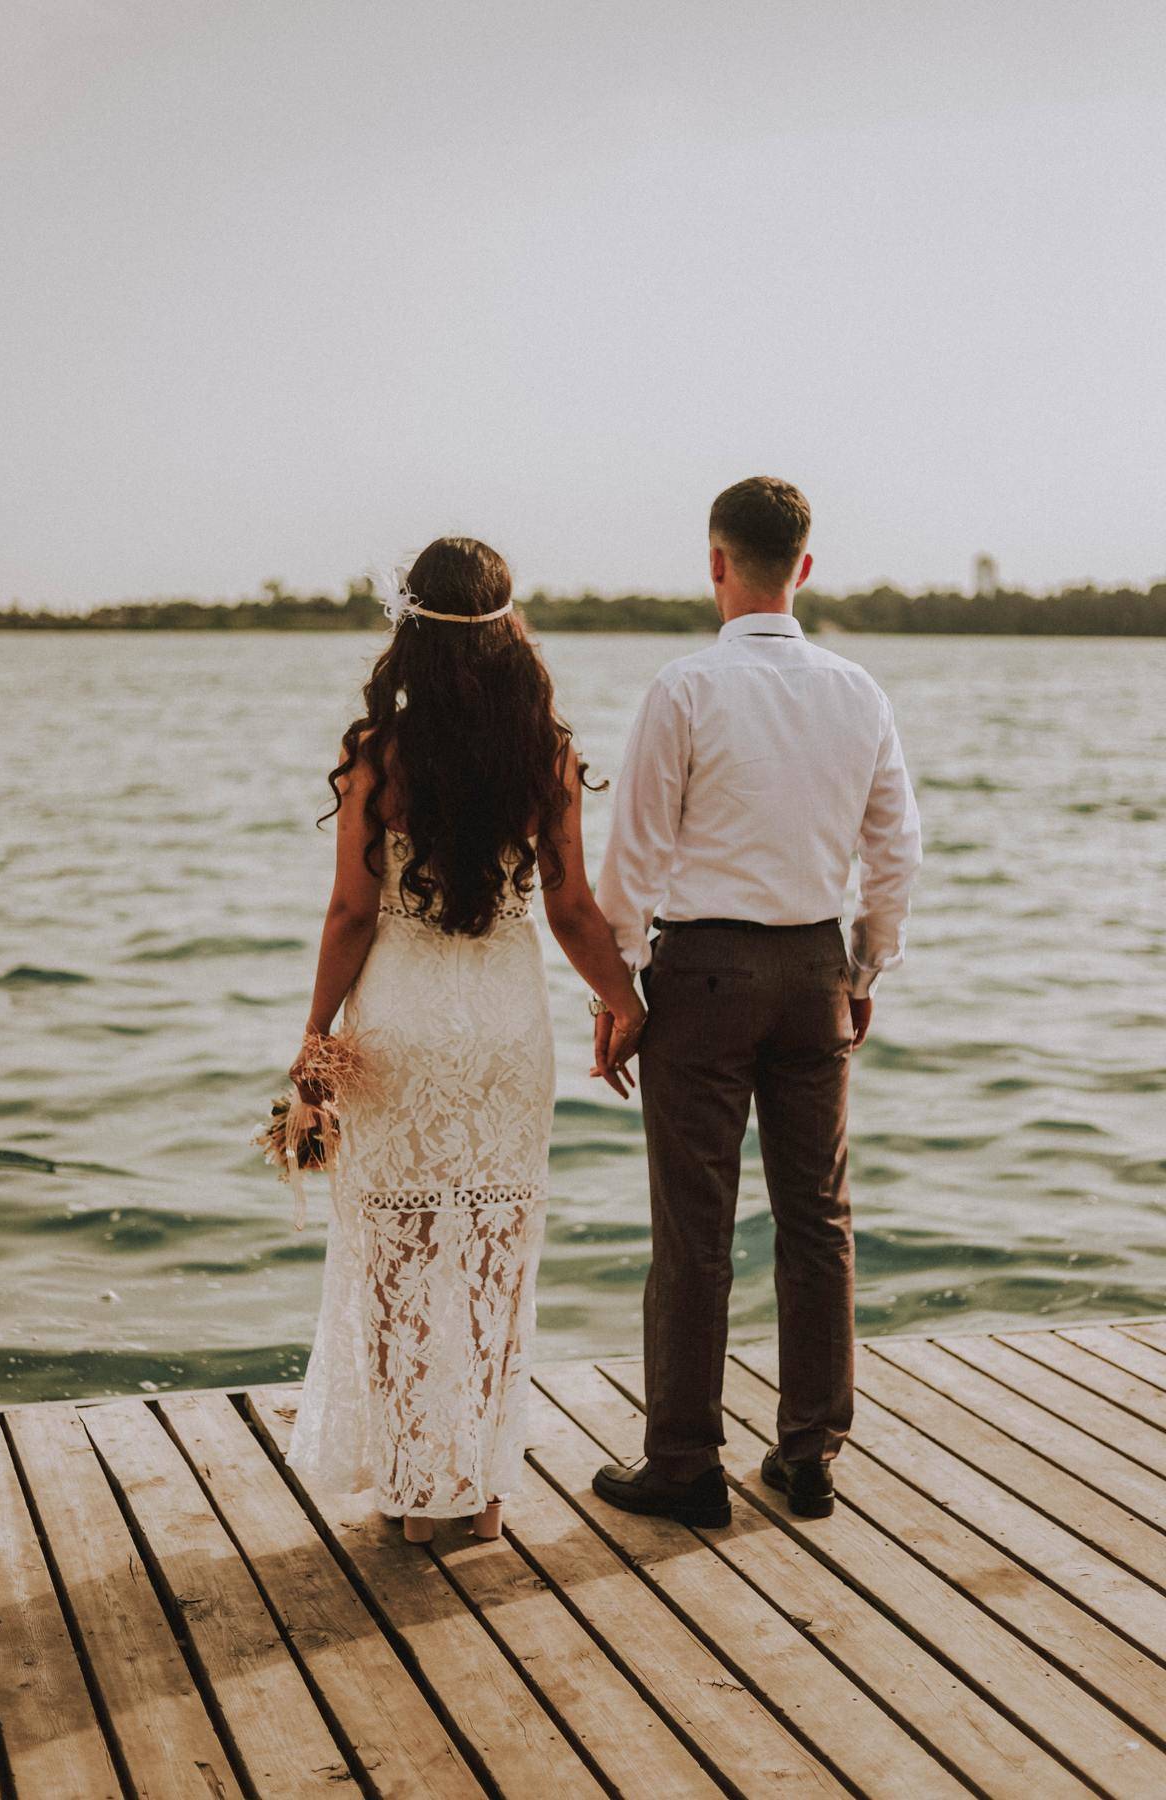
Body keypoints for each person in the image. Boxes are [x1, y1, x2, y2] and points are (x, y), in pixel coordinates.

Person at [285, 537, 644, 1542]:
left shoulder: (378, 756)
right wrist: (625, 1003)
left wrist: (314, 1037)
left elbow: (350, 916)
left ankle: (414, 1497)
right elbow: (572, 911)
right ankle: (480, 1495)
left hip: (398, 1022)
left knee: (398, 1257)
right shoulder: (546, 755)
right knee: (492, 1253)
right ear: (507, 628)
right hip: (504, 1027)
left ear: (412, 629)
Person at [590, 477, 921, 1523]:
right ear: (805, 568)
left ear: (716, 563)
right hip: (815, 969)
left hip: (703, 973)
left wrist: (618, 988)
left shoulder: (685, 687)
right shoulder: (859, 692)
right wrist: (864, 968)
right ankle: (810, 1454)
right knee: (818, 1219)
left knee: (695, 1229)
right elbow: (896, 851)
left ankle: (686, 1465)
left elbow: (633, 855)